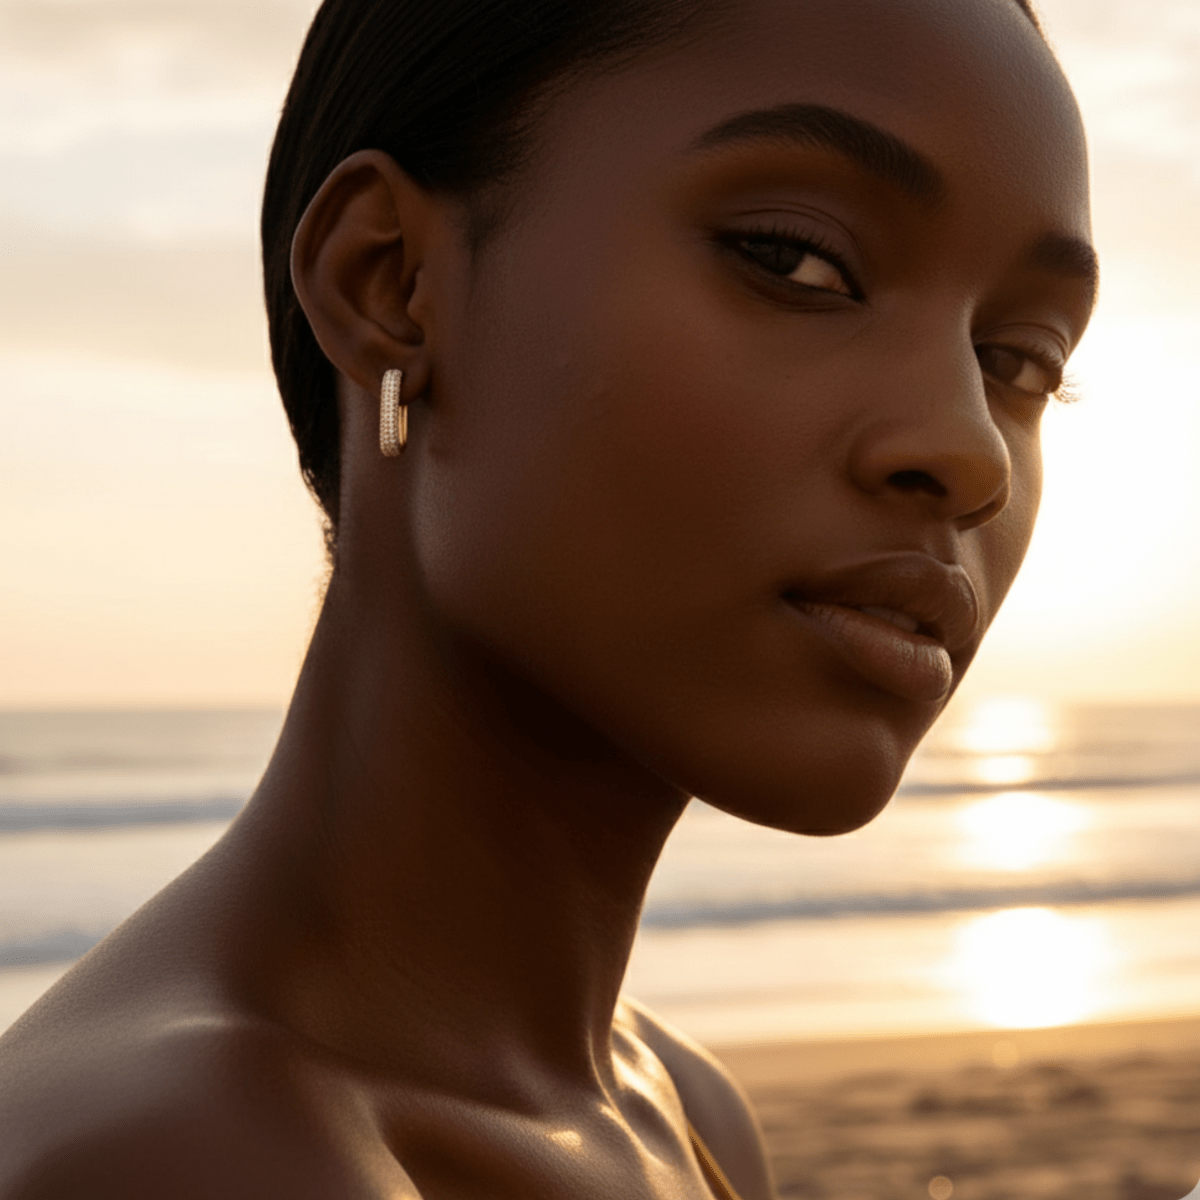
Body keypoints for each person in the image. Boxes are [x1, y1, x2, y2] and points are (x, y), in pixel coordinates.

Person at [0, 0, 1098, 1196]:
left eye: (1019, 362)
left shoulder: (682, 1112)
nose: (972, 451)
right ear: (393, 284)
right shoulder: (188, 1155)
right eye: (795, 259)